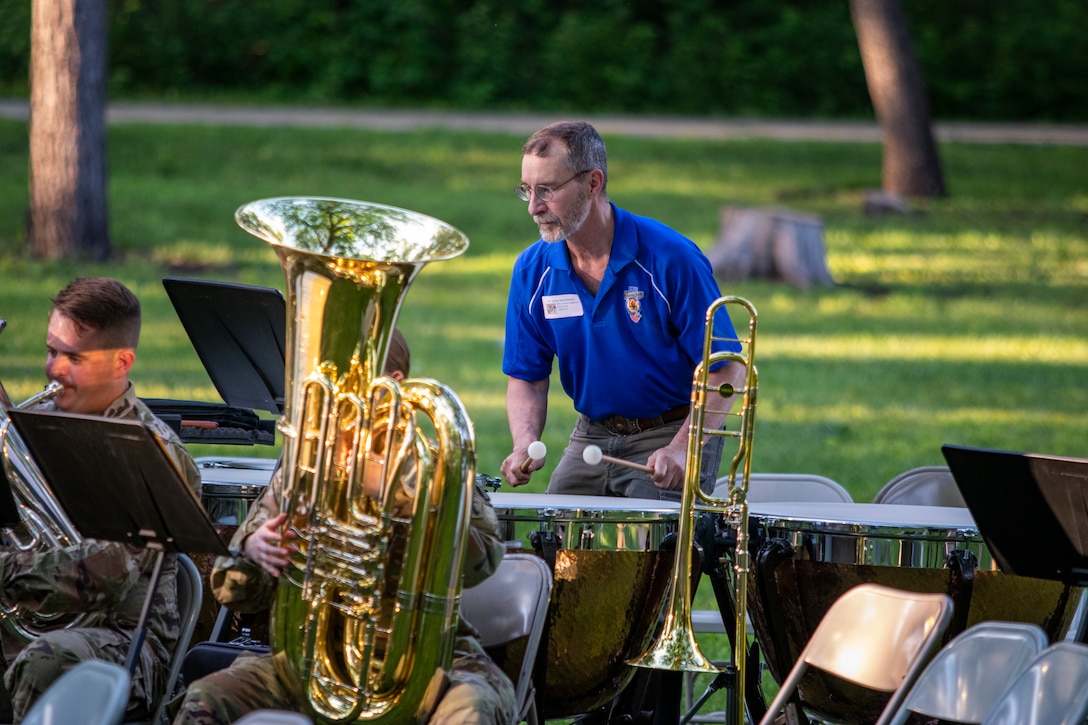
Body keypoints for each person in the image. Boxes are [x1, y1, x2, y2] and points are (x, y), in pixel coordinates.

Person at [173, 329, 517, 725]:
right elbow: (230, 592)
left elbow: (483, 563)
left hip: (426, 663)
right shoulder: (304, 471)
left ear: (393, 386)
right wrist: (253, 552)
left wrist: (403, 494)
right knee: (206, 699)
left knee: (472, 711)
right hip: (309, 664)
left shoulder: (439, 469)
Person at [500, 121, 747, 501]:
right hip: (592, 434)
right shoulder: (533, 270)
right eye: (527, 190)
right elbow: (527, 378)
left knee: (653, 551)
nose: (534, 207)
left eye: (547, 190)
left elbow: (729, 369)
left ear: (593, 183)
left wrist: (684, 447)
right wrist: (524, 442)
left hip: (673, 428)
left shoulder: (670, 258)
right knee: (551, 538)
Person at [0, 276, 201, 721]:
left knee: (50, 661)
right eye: (52, 351)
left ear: (121, 362)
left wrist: (6, 571)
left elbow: (106, 575)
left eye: (74, 357)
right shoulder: (27, 425)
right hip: (37, 618)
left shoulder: (153, 453)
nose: (54, 370)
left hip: (124, 640)